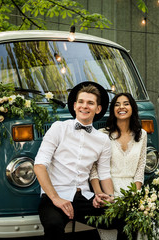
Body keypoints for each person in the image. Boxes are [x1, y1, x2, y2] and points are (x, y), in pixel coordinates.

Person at [34, 81, 128, 240]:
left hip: (84, 198)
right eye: (81, 102)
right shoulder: (58, 128)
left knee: (125, 219)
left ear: (98, 109)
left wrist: (110, 197)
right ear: (75, 105)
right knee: (53, 226)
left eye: (90, 103)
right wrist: (56, 198)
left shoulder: (102, 140)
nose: (85, 106)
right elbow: (39, 166)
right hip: (54, 197)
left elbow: (104, 173)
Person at [90, 93, 147, 240]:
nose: (121, 107)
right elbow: (94, 169)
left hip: (132, 190)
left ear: (132, 108)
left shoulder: (142, 135)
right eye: (117, 104)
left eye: (126, 103)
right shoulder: (103, 135)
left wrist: (136, 197)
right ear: (113, 110)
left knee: (134, 224)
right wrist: (100, 194)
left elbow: (141, 168)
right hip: (109, 189)